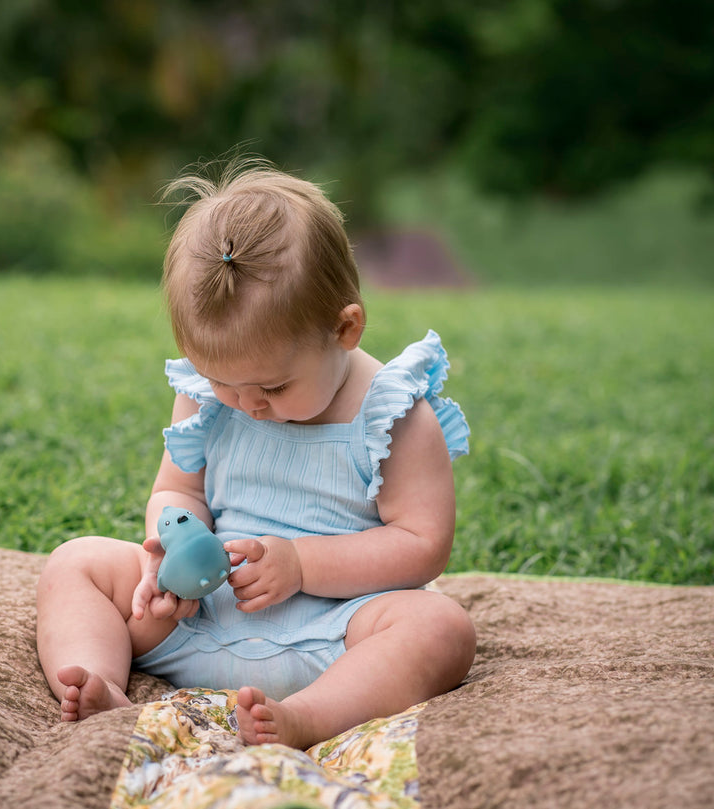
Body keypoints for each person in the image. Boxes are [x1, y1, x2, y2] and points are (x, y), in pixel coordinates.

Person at [35, 160, 476, 750]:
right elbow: (179, 491)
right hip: (205, 618)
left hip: (336, 632)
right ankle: (101, 684)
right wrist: (167, 548)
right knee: (77, 562)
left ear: (345, 329)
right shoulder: (203, 399)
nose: (246, 405)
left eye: (272, 387)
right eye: (222, 382)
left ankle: (309, 717)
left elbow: (423, 546)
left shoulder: (392, 416)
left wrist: (300, 565)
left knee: (439, 628)